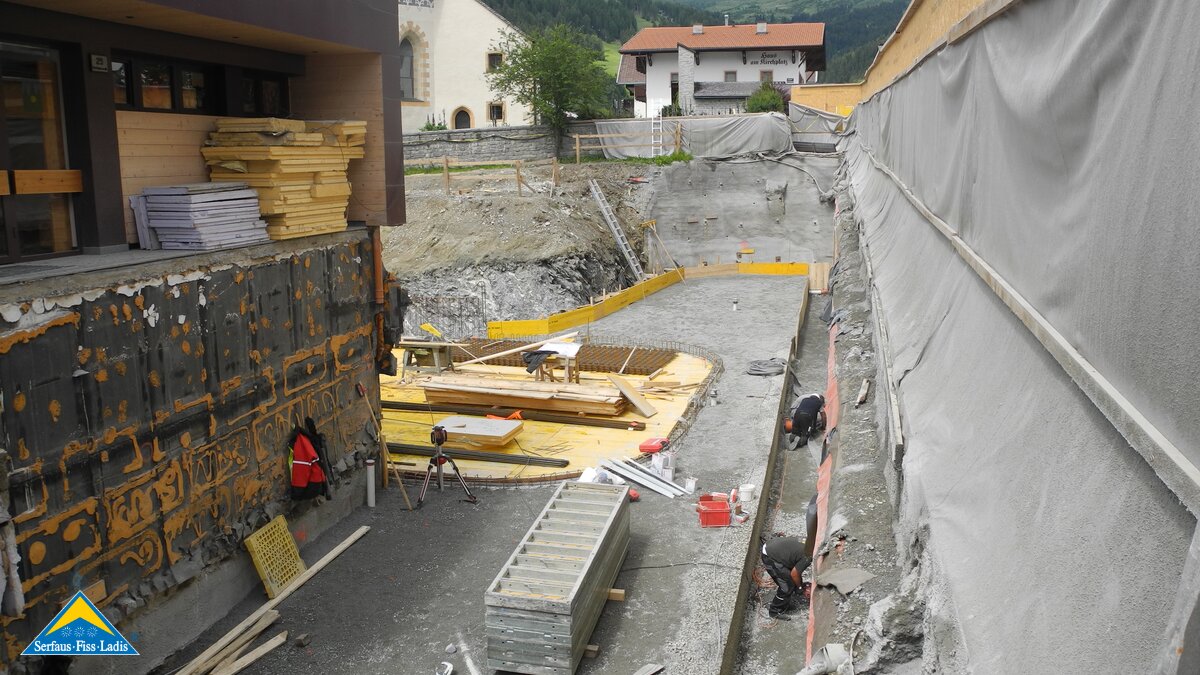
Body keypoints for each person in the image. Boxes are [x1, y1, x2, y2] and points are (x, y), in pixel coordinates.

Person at [761, 535, 812, 620]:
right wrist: (800, 587)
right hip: (770, 557)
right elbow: (794, 574)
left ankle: (785, 603)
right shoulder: (808, 555)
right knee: (787, 586)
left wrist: (799, 584)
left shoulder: (810, 543)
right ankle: (774, 611)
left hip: (773, 547)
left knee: (793, 581)